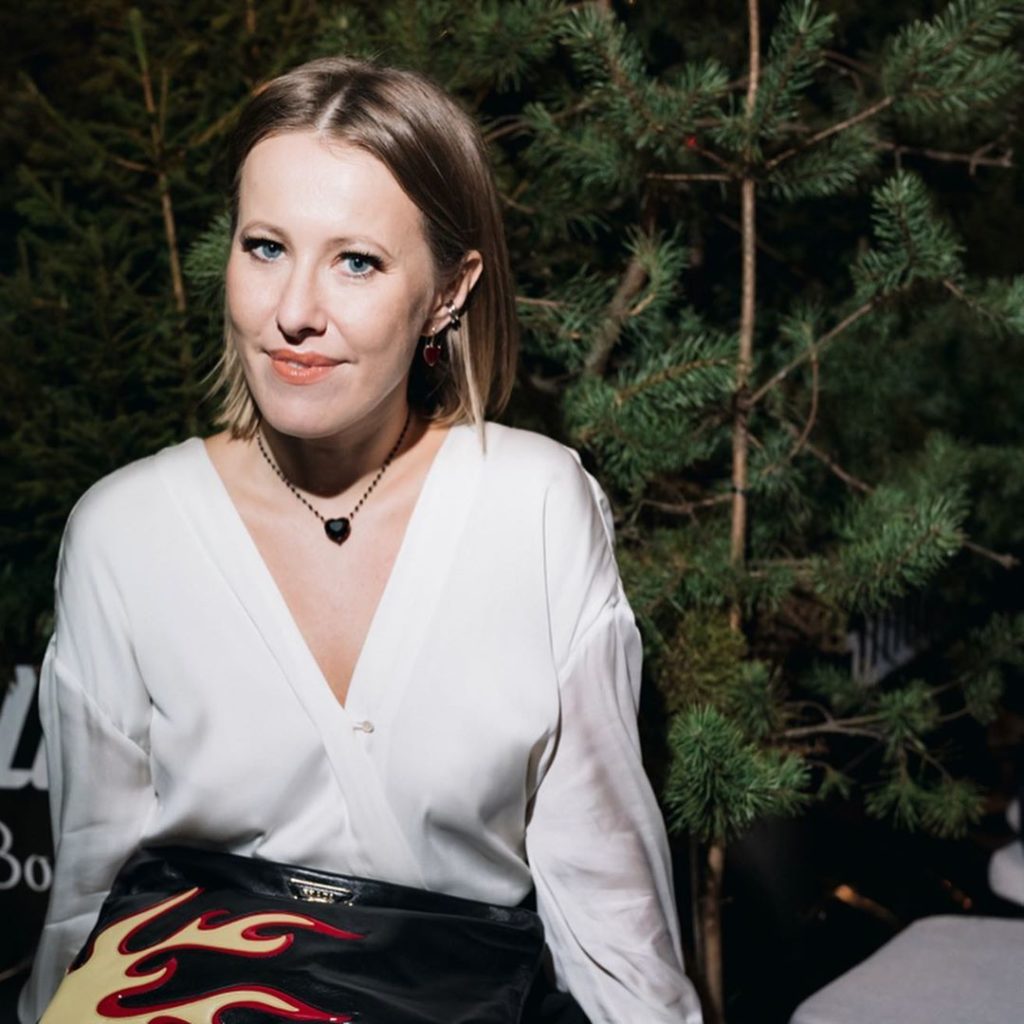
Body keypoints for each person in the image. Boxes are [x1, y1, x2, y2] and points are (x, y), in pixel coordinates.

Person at [19, 57, 703, 1024]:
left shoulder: (536, 508)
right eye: (265, 247)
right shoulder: (124, 532)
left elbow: (609, 899)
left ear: (448, 292)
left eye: (357, 262)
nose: (294, 312)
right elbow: (86, 899)